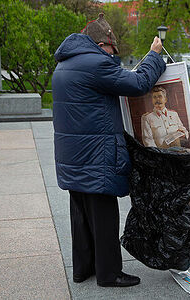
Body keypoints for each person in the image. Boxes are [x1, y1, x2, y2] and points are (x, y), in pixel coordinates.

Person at [52, 13, 166, 287]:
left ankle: (82, 269)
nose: (114, 55)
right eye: (113, 50)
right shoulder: (95, 63)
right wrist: (153, 55)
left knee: (80, 214)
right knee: (104, 215)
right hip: (95, 157)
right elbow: (138, 84)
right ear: (102, 43)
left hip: (72, 156)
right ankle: (108, 273)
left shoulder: (65, 64)